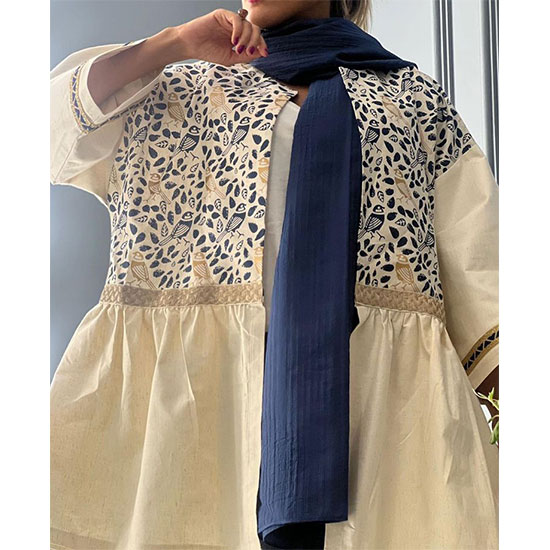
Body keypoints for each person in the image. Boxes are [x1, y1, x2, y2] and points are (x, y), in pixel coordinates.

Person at [50, 1, 499, 549]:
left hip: (382, 423)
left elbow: (483, 270)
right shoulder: (174, 87)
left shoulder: (412, 101)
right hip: (193, 420)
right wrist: (173, 44)